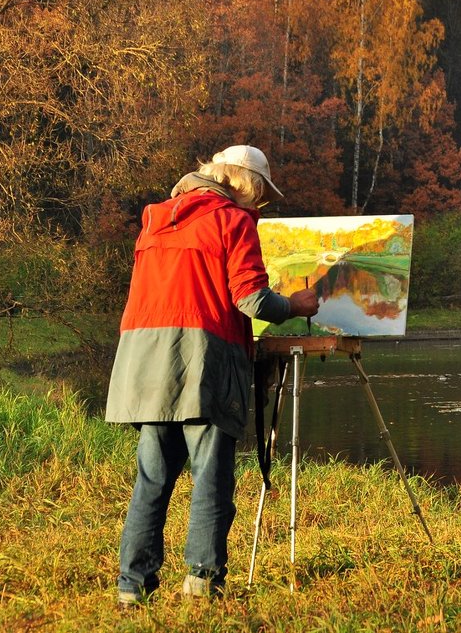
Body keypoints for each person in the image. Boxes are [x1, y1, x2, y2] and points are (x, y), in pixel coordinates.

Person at [105, 144, 318, 608]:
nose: (258, 206)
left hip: (144, 357)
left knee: (153, 478)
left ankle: (131, 587)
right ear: (245, 185)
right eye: (260, 196)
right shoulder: (233, 221)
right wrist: (296, 305)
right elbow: (252, 301)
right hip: (203, 355)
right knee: (211, 477)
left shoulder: (157, 217)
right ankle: (202, 582)